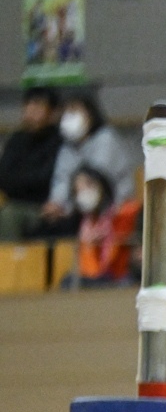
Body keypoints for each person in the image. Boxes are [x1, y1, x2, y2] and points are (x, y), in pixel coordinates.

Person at [44, 91, 136, 233]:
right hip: (78, 210)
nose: (69, 117)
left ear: (90, 114)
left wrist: (68, 208)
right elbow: (61, 179)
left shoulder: (106, 138)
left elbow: (97, 182)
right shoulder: (66, 148)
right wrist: (57, 203)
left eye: (74, 111)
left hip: (114, 208)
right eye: (66, 112)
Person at [0, 88, 61, 241]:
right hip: (14, 202)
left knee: (8, 215)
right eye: (28, 105)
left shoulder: (60, 141)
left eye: (38, 106)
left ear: (53, 113)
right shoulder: (16, 139)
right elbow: (3, 177)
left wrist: (18, 182)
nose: (31, 111)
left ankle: (10, 257)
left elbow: (46, 179)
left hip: (44, 208)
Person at [64, 164, 137, 287]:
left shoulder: (122, 214)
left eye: (88, 185)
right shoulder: (80, 224)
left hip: (119, 278)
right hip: (92, 279)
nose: (84, 193)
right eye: (78, 190)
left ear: (102, 185)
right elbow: (86, 268)